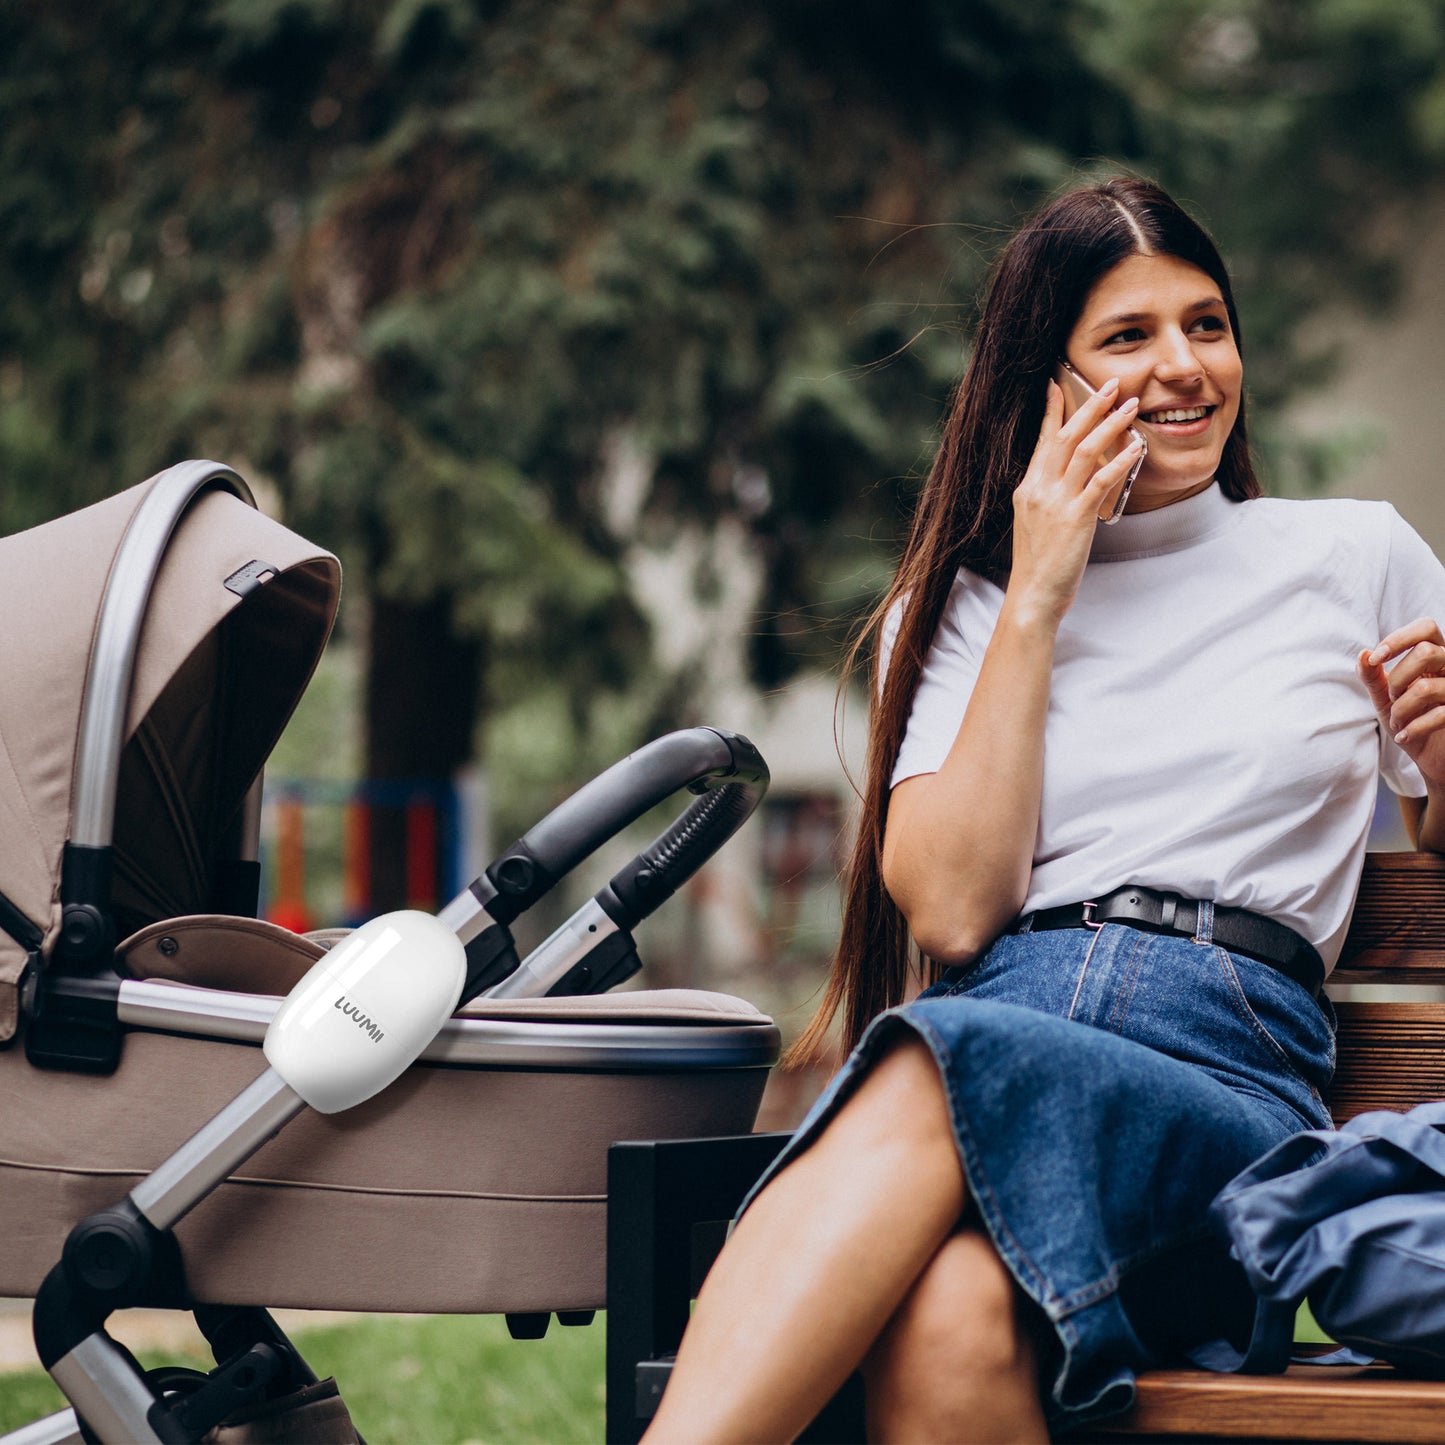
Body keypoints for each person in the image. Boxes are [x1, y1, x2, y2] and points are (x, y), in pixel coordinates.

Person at [641, 175, 1445, 1444]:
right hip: (1009, 1015)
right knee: (951, 1306)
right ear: (1046, 381)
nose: (1183, 367)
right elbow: (958, 906)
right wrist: (1035, 593)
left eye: (1206, 324)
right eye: (1127, 337)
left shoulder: (1352, 558)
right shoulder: (960, 607)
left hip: (1221, 1085)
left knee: (930, 1055)